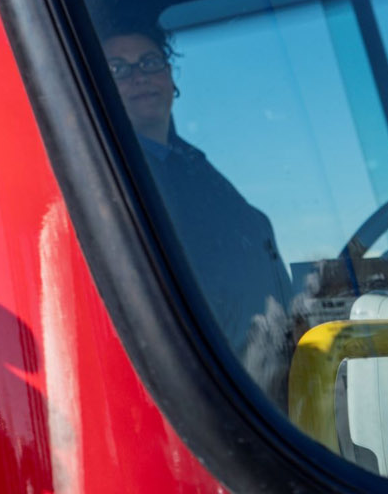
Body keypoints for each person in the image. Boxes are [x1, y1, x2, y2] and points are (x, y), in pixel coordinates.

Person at [102, 25, 296, 389]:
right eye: (118, 69)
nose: (139, 76)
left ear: (170, 77)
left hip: (266, 365)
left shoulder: (190, 164)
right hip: (206, 382)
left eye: (149, 62)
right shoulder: (114, 175)